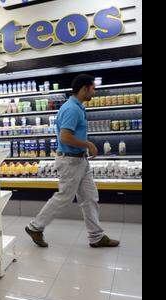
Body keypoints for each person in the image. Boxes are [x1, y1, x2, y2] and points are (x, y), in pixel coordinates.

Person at [24, 74, 120, 249]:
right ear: (84, 88)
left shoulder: (78, 107)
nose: (95, 91)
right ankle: (35, 227)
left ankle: (96, 236)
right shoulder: (72, 109)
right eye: (93, 88)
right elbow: (65, 137)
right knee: (64, 197)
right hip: (70, 161)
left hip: (80, 161)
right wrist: (88, 144)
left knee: (90, 198)